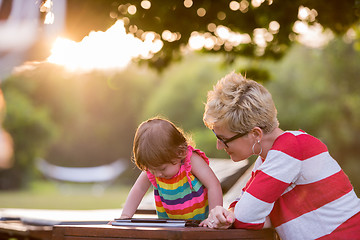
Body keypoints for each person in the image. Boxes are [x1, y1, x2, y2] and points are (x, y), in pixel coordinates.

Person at [200, 72, 360, 239]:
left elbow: (246, 216)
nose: (219, 146)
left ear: (255, 134)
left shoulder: (291, 149)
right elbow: (242, 208)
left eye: (223, 139)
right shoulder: (269, 159)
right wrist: (228, 214)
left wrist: (233, 215)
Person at [120, 117, 223, 220]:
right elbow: (139, 189)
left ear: (180, 152)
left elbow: (213, 185)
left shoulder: (191, 161)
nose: (157, 174)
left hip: (200, 225)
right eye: (152, 170)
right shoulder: (154, 167)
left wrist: (213, 218)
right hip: (171, 226)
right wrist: (125, 215)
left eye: (163, 169)